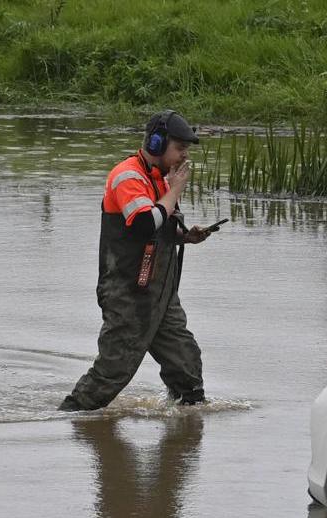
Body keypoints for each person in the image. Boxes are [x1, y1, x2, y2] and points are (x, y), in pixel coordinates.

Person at [59, 110, 215, 412]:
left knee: (186, 365)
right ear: (156, 143)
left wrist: (186, 237)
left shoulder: (160, 179)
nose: (184, 156)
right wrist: (176, 190)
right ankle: (69, 418)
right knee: (112, 373)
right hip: (128, 295)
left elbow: (156, 231)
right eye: (180, 148)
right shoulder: (127, 175)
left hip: (161, 295)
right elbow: (144, 223)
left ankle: (186, 425)